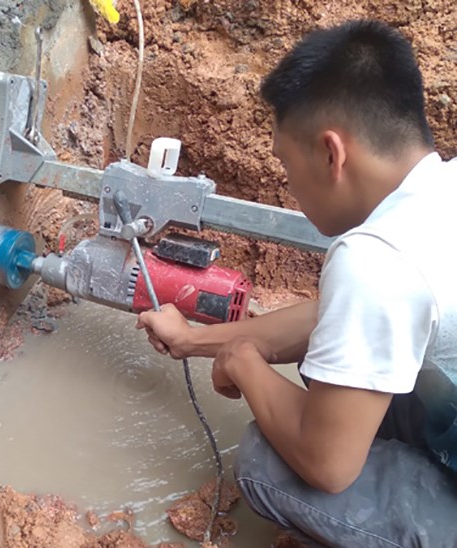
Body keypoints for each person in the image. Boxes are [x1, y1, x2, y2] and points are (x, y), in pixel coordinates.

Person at [136, 19, 457, 547]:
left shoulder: (376, 260)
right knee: (329, 367)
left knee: (267, 463)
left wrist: (244, 361)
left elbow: (329, 467)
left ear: (332, 154)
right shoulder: (438, 196)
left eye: (286, 163)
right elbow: (341, 323)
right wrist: (191, 340)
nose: (288, 184)